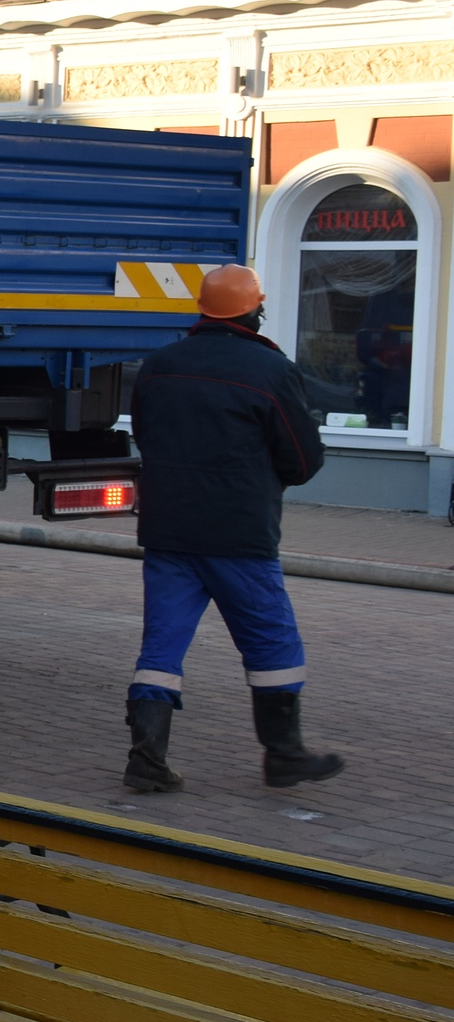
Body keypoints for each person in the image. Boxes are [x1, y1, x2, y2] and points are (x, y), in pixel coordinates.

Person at [123, 263, 342, 792]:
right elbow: (302, 460)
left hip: (169, 533)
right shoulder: (269, 371)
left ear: (203, 308)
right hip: (239, 536)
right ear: (254, 310)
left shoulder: (158, 365)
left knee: (161, 650)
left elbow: (147, 437)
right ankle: (284, 755)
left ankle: (147, 761)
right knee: (272, 645)